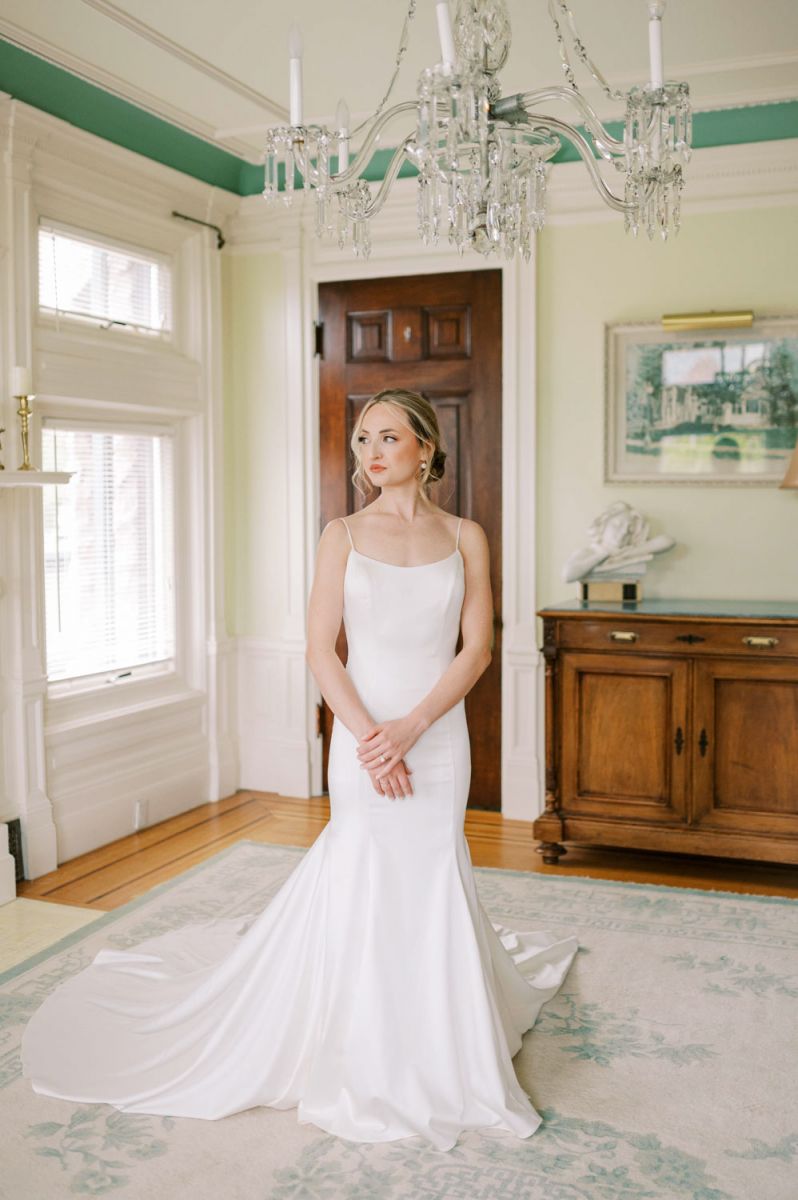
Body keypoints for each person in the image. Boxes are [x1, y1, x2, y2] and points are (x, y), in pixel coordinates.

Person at [21, 388, 578, 1153]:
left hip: (436, 736)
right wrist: (369, 738)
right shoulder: (341, 534)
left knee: (433, 870)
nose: (370, 453)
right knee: (366, 865)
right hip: (359, 734)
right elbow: (322, 648)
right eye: (361, 440)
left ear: (425, 445)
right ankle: (358, 1033)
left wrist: (412, 728)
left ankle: (441, 1030)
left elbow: (476, 649)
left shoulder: (467, 536)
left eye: (387, 437)